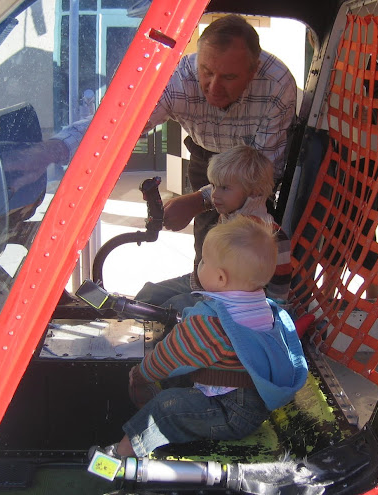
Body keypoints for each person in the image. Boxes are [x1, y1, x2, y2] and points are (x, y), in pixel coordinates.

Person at [53, 14, 297, 273]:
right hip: (206, 158)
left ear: (253, 70)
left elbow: (260, 176)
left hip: (255, 166)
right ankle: (204, 296)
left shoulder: (277, 85)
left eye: (228, 77)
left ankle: (250, 304)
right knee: (207, 249)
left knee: (253, 248)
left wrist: (199, 201)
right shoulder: (179, 80)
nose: (213, 87)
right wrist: (53, 150)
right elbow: (119, 126)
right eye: (207, 71)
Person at [110, 216, 308, 457]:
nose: (198, 265)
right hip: (254, 405)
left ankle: (120, 456)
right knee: (176, 387)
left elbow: (171, 356)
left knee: (164, 408)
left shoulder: (211, 322)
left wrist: (141, 372)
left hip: (230, 412)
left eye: (203, 262)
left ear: (221, 278)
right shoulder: (265, 308)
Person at [135, 145, 292, 312]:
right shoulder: (232, 206)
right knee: (149, 294)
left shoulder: (268, 235)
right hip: (203, 283)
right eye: (214, 186)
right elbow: (216, 193)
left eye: (224, 188)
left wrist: (275, 312)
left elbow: (280, 286)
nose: (215, 194)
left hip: (226, 302)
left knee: (168, 308)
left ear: (254, 192)